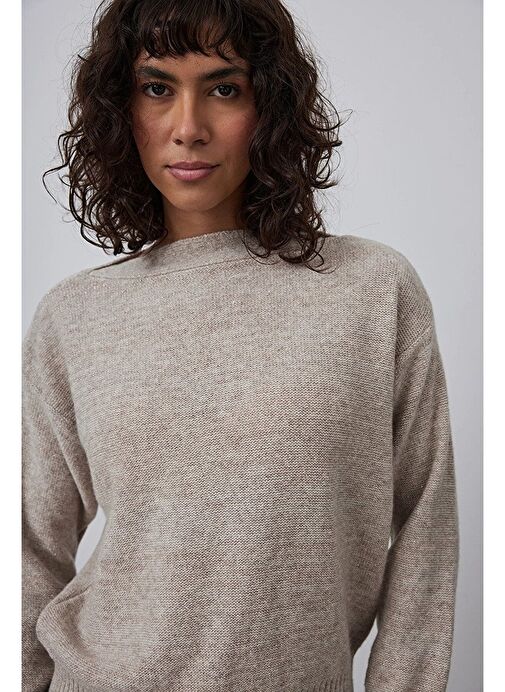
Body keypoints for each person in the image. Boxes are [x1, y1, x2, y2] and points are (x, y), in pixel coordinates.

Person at [22, 0, 459, 691]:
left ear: (269, 108)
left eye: (224, 89)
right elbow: (28, 550)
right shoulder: (72, 316)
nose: (188, 128)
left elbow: (426, 527)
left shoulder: (372, 289)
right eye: (156, 88)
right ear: (121, 110)